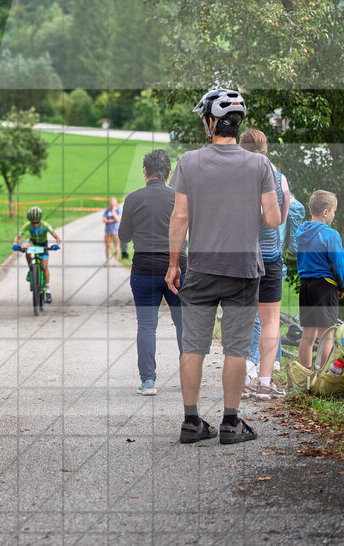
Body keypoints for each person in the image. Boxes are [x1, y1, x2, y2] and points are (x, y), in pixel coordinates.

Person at [167, 88, 280, 445]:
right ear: (236, 124)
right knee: (235, 347)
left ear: (210, 122)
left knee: (193, 346)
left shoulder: (188, 162)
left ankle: (191, 422)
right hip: (244, 270)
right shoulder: (259, 164)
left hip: (201, 267)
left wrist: (173, 263)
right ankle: (231, 424)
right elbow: (273, 219)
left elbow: (180, 216)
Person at [118, 149, 185, 396]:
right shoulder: (179, 198)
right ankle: (188, 378)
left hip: (144, 268)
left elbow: (124, 236)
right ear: (168, 174)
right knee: (182, 324)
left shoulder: (133, 199)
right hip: (177, 267)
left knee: (146, 325)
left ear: (144, 171)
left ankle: (148, 381)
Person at [239, 129, 291, 400]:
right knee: (270, 321)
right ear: (266, 148)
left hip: (242, 258)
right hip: (270, 257)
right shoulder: (279, 179)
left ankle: (245, 378)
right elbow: (281, 219)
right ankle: (265, 382)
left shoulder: (234, 178)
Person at [295, 190, 344, 368]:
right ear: (325, 212)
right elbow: (339, 263)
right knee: (327, 335)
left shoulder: (301, 232)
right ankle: (322, 374)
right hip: (325, 286)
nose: (334, 215)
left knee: (307, 334)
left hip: (306, 285)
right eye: (334, 211)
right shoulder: (330, 234)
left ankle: (306, 372)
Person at [13, 206, 62, 303]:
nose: (35, 224)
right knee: (27, 250)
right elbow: (17, 237)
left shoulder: (45, 225)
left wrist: (56, 245)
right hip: (34, 243)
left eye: (37, 222)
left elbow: (58, 238)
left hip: (43, 244)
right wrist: (15, 243)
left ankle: (48, 290)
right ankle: (31, 268)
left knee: (44, 266)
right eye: (33, 222)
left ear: (40, 220)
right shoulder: (27, 225)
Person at [103, 198, 123, 264]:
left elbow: (117, 219)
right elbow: (104, 220)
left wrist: (113, 211)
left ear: (116, 203)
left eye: (113, 203)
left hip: (116, 232)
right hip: (108, 232)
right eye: (111, 202)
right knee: (107, 246)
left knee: (117, 247)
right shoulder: (107, 210)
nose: (112, 204)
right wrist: (112, 220)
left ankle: (116, 260)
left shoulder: (118, 210)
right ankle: (107, 261)